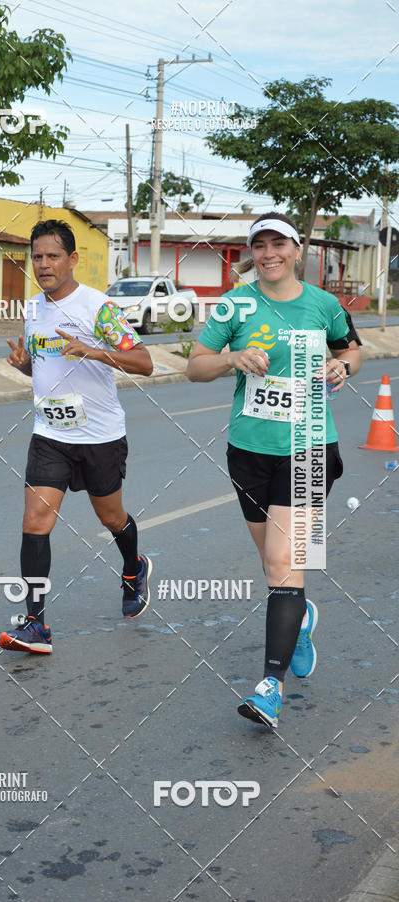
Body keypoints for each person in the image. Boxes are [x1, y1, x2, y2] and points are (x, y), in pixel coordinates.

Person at [186, 212, 362, 728]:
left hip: (309, 445)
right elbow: (195, 365)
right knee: (274, 565)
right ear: (252, 253)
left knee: (284, 564)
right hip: (249, 449)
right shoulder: (235, 304)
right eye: (259, 246)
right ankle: (301, 617)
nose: (269, 254)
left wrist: (341, 366)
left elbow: (352, 349)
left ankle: (269, 688)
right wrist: (232, 358)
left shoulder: (323, 305)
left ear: (295, 249)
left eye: (278, 244)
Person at [0, 219, 154, 654]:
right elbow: (42, 367)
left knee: (111, 517)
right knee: (35, 521)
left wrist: (93, 350)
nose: (43, 265)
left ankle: (132, 566)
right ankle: (35, 624)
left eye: (52, 256)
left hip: (100, 434)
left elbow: (144, 363)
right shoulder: (33, 309)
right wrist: (23, 366)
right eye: (37, 257)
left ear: (72, 259)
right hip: (49, 433)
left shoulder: (98, 309)